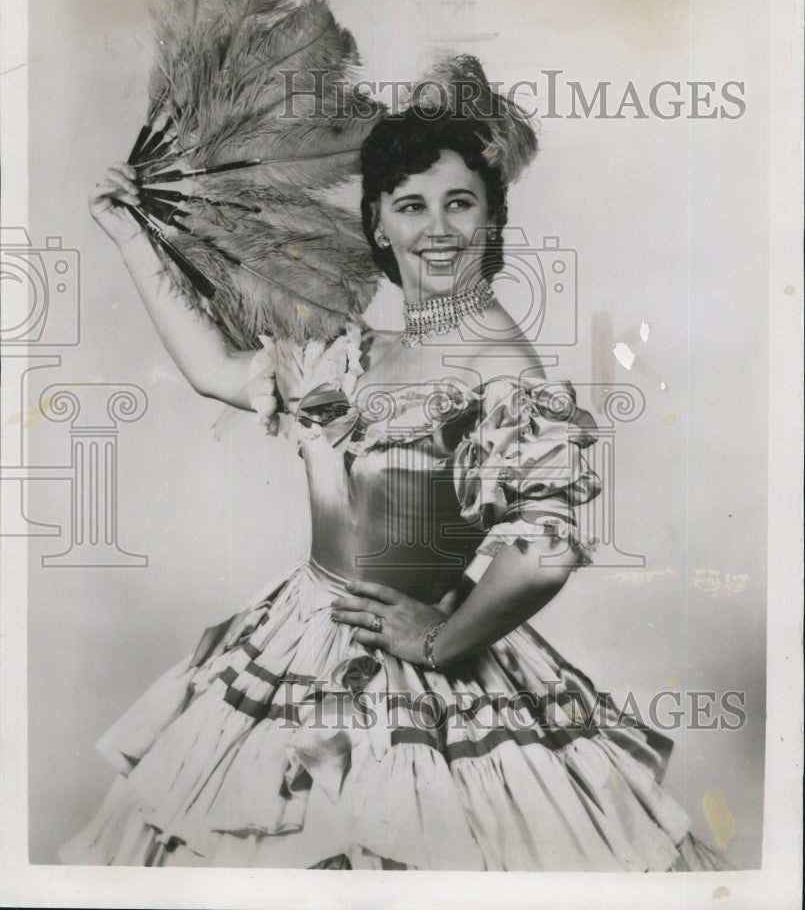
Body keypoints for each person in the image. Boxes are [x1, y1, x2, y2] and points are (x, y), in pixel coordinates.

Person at [59, 90, 724, 871]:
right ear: (377, 222)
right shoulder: (361, 351)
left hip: (406, 665)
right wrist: (128, 234)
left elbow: (545, 548)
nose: (436, 229)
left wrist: (440, 640)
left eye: (459, 204)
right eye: (411, 205)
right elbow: (220, 372)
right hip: (296, 632)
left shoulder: (499, 368)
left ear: (491, 220)